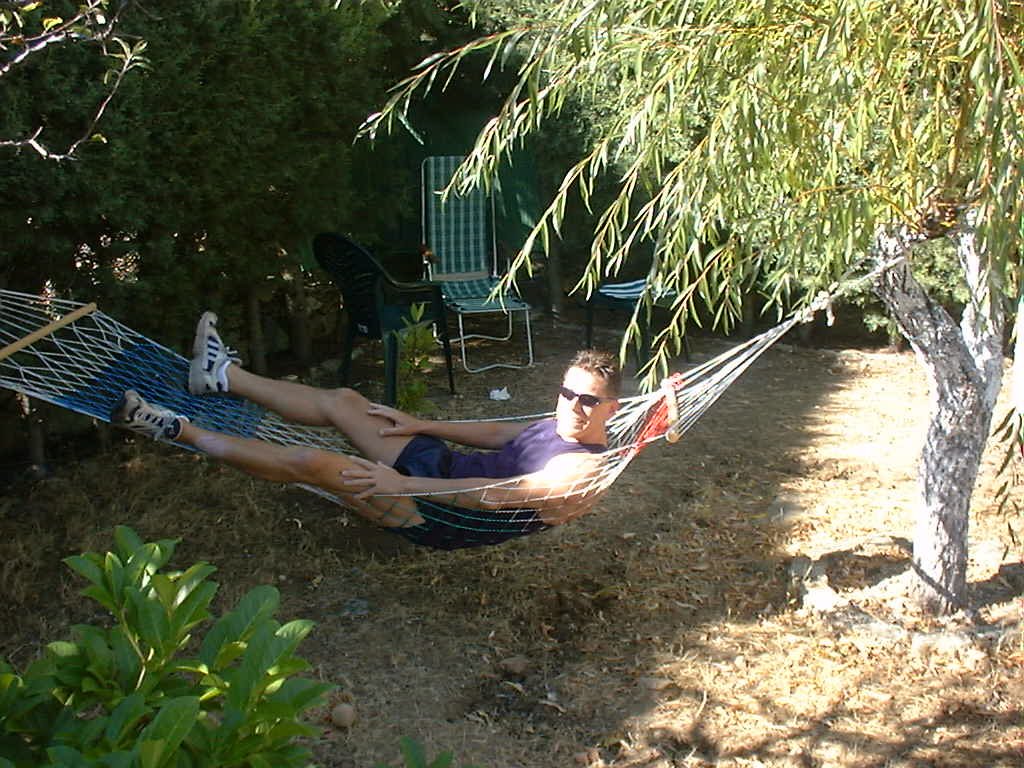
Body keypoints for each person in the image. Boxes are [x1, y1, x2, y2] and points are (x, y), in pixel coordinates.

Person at [112, 312, 621, 549]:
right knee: (346, 402)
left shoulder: (580, 470)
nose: (573, 405)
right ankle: (221, 375)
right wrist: (422, 423)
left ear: (611, 409)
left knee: (313, 464)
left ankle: (176, 430)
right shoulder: (559, 422)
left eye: (588, 400)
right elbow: (497, 435)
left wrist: (402, 485)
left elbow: (491, 496)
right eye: (567, 392)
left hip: (439, 513)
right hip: (439, 470)